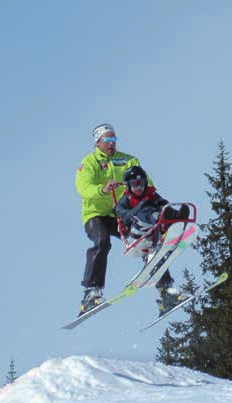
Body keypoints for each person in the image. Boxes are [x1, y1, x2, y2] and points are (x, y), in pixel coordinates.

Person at [74, 122, 177, 316]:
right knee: (101, 241)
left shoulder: (128, 160)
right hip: (96, 214)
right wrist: (103, 189)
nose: (111, 143)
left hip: (121, 214)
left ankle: (166, 291)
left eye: (113, 139)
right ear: (97, 142)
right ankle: (91, 293)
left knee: (146, 239)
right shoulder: (89, 163)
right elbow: (83, 188)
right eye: (107, 140)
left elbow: (146, 184)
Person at [115, 165, 191, 315]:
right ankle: (164, 223)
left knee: (156, 259)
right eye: (135, 184)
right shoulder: (126, 200)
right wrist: (141, 206)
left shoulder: (151, 195)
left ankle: (167, 295)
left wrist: (168, 211)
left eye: (142, 183)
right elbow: (123, 216)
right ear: (128, 185)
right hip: (137, 234)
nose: (139, 187)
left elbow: (164, 204)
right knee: (147, 213)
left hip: (153, 235)